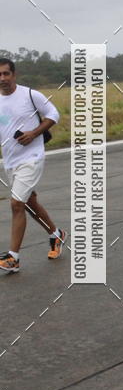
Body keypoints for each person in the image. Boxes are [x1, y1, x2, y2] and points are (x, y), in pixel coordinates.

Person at [0, 58, 66, 274]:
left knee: (17, 204)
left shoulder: (29, 95)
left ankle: (13, 258)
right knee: (29, 203)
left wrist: (34, 133)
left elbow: (54, 114)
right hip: (10, 161)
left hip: (32, 157)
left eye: (6, 74)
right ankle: (56, 235)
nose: (2, 79)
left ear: (14, 75)